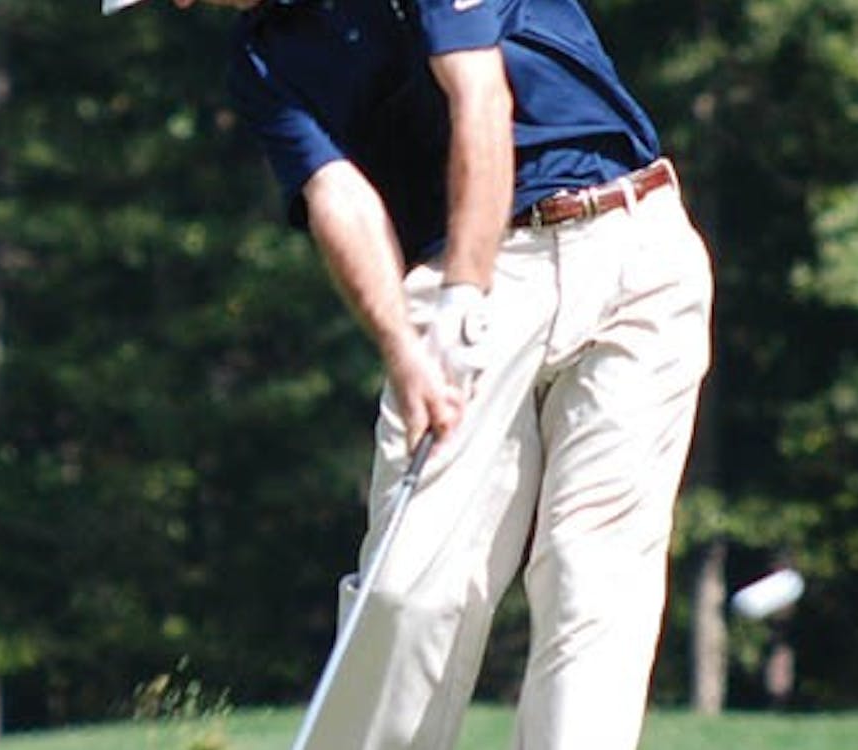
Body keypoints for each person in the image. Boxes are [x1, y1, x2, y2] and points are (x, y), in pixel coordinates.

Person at [105, 1, 714, 748]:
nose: (181, 4)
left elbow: (479, 94)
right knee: (409, 589)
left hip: (634, 241)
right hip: (466, 273)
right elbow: (338, 195)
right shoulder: (264, 60)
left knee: (595, 579)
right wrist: (405, 341)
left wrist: (466, 285)